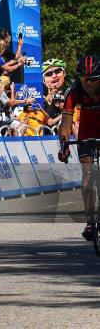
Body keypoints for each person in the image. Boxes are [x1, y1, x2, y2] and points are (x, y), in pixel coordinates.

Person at [58, 53, 100, 241]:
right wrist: (64, 145)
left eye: (93, 79)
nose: (88, 83)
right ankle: (90, 221)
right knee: (88, 174)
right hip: (87, 134)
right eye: (84, 79)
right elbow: (66, 123)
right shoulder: (74, 92)